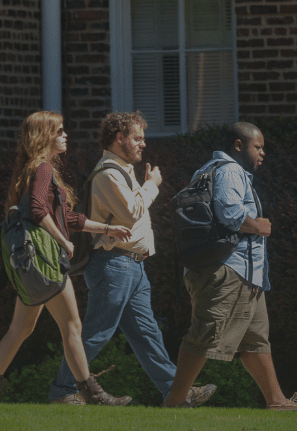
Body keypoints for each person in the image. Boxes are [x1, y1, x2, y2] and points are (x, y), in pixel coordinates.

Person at [45, 112, 215, 407]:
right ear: (119, 138)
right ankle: (63, 389)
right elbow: (131, 212)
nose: (143, 144)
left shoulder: (123, 171)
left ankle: (176, 393)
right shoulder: (109, 173)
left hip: (132, 266)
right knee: (97, 333)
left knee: (147, 336)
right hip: (114, 265)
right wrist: (153, 185)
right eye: (137, 138)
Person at [0, 111, 134, 406]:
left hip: (30, 263)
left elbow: (67, 217)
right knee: (72, 326)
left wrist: (107, 228)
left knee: (20, 328)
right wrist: (62, 240)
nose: (65, 135)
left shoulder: (31, 170)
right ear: (45, 136)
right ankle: (93, 394)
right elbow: (39, 210)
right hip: (47, 262)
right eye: (60, 131)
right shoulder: (43, 168)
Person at [163, 121, 297, 411]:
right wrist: (260, 226)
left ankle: (277, 400)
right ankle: (175, 401)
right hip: (228, 270)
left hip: (244, 274)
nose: (263, 153)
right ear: (238, 145)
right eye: (258, 146)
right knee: (205, 333)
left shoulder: (207, 170)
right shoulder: (230, 170)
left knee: (255, 339)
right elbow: (230, 214)